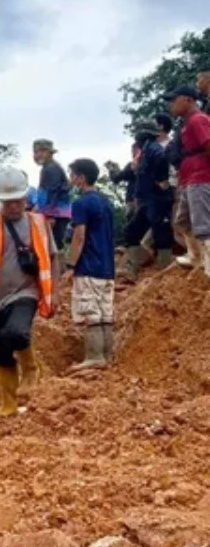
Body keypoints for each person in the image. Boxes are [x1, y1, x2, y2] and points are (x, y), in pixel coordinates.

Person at [0, 168, 61, 419]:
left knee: (16, 332)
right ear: (0, 201)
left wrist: (55, 290)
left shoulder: (38, 224)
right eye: (8, 202)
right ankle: (9, 405)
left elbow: (53, 257)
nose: (14, 207)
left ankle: (31, 368)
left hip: (25, 291)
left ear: (26, 199)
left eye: (18, 201)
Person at [65, 159, 116, 372]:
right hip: (107, 268)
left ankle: (94, 356)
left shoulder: (81, 203)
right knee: (105, 312)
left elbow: (79, 236)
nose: (70, 178)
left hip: (88, 266)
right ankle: (107, 355)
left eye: (72, 174)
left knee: (90, 311)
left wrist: (70, 264)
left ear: (81, 178)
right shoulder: (106, 202)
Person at [123, 122, 175, 279]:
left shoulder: (155, 150)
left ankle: (164, 269)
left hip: (157, 198)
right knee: (131, 231)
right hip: (146, 199)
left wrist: (161, 182)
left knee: (161, 233)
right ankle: (141, 263)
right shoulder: (145, 151)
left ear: (143, 135)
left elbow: (162, 165)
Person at [168, 85, 210, 276]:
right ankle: (196, 256)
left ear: (188, 100)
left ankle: (208, 265)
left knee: (202, 224)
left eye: (174, 99)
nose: (171, 105)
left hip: (201, 176)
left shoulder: (198, 120)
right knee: (182, 221)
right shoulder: (186, 124)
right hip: (188, 178)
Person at [33, 140, 72, 251]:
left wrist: (50, 216)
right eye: (35, 152)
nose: (37, 155)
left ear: (49, 153)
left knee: (54, 246)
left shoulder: (51, 169)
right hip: (52, 212)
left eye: (40, 152)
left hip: (57, 214)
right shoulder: (47, 168)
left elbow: (52, 193)